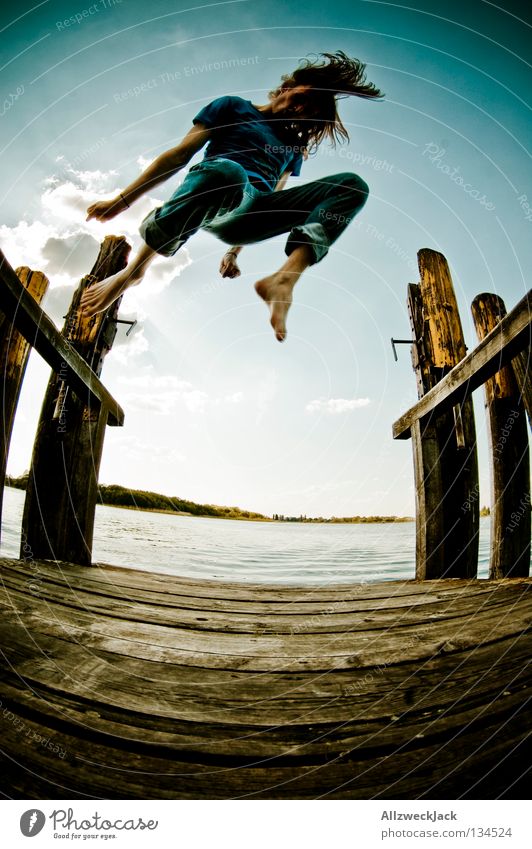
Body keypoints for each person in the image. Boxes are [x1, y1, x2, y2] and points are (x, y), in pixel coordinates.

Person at [80, 51, 384, 342]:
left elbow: (275, 192)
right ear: (286, 87)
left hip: (252, 213)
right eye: (302, 99)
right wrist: (121, 201)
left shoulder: (292, 147)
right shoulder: (232, 107)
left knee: (352, 185)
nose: (300, 111)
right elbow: (179, 155)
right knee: (229, 173)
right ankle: (134, 271)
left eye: (310, 113)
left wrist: (233, 253)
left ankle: (285, 278)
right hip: (216, 188)